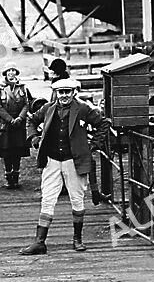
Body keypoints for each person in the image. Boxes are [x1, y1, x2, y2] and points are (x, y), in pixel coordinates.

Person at [20, 78, 111, 255]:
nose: (64, 96)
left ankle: (77, 239)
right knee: (47, 199)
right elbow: (30, 121)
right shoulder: (47, 109)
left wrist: (93, 145)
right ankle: (40, 242)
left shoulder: (83, 109)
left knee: (76, 199)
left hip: (74, 161)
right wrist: (34, 138)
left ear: (73, 92)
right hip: (52, 160)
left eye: (67, 92)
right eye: (61, 92)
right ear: (56, 93)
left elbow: (103, 123)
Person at [0, 65, 34, 189]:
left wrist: (20, 118)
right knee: (7, 151)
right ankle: (8, 178)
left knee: (17, 151)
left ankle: (16, 177)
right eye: (9, 71)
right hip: (6, 125)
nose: (11, 73)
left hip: (19, 124)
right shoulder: (0, 88)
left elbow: (26, 104)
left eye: (13, 71)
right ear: (5, 73)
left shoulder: (22, 88)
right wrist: (10, 120)